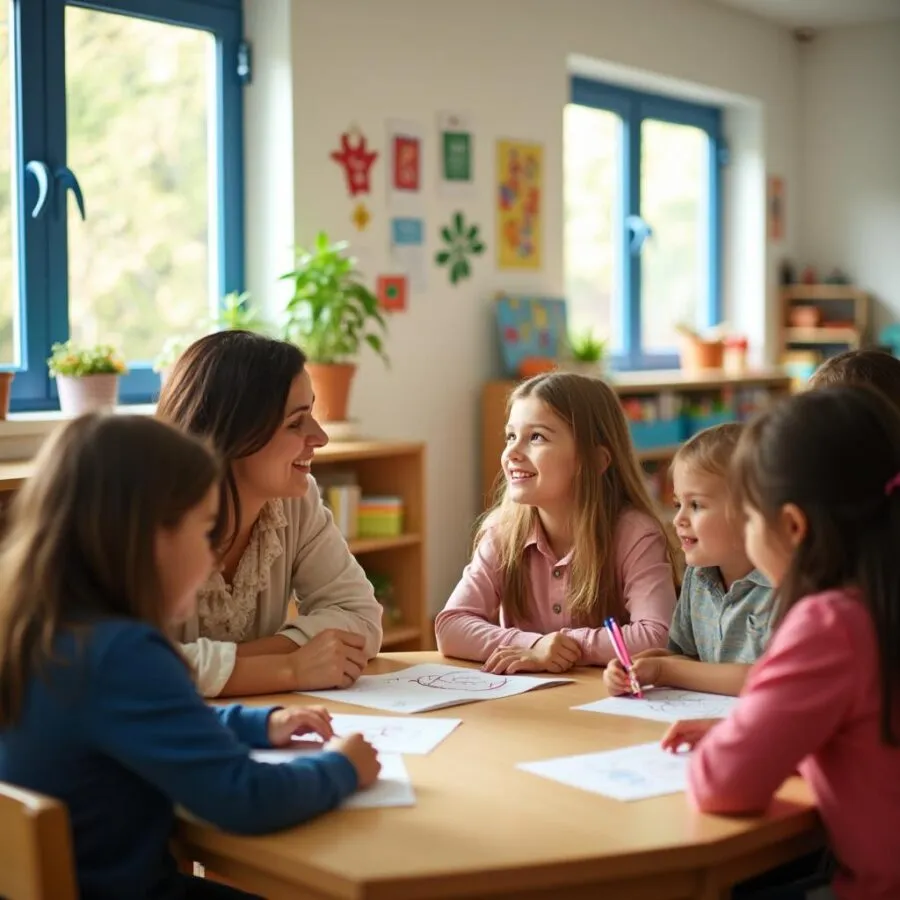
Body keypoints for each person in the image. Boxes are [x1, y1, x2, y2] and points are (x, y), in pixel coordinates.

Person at [0, 414, 380, 900]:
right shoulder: (123, 654)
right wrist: (344, 767)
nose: (212, 558)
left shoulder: (41, 631)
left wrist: (257, 723)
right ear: (153, 539)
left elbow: (147, 721)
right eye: (205, 534)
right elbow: (246, 798)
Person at [662, 386, 900, 900]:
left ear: (792, 526)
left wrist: (738, 738)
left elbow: (722, 786)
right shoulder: (878, 600)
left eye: (749, 518)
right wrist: (759, 731)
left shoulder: (830, 624)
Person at [157, 331, 383, 697]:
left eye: (311, 414)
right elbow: (120, 668)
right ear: (230, 435)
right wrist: (287, 669)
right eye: (295, 422)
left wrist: (229, 668)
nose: (320, 437)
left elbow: (360, 617)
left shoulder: (295, 501)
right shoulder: (141, 520)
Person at [435, 372, 678, 673]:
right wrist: (535, 645)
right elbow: (451, 626)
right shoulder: (501, 532)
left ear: (595, 461)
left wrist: (565, 646)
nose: (511, 453)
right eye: (510, 436)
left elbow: (657, 636)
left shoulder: (635, 535)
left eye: (536, 437)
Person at [604, 424, 772, 697]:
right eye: (677, 504)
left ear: (750, 512)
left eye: (695, 505)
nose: (678, 519)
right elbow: (687, 657)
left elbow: (766, 676)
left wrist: (665, 670)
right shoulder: (698, 576)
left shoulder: (782, 587)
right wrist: (638, 665)